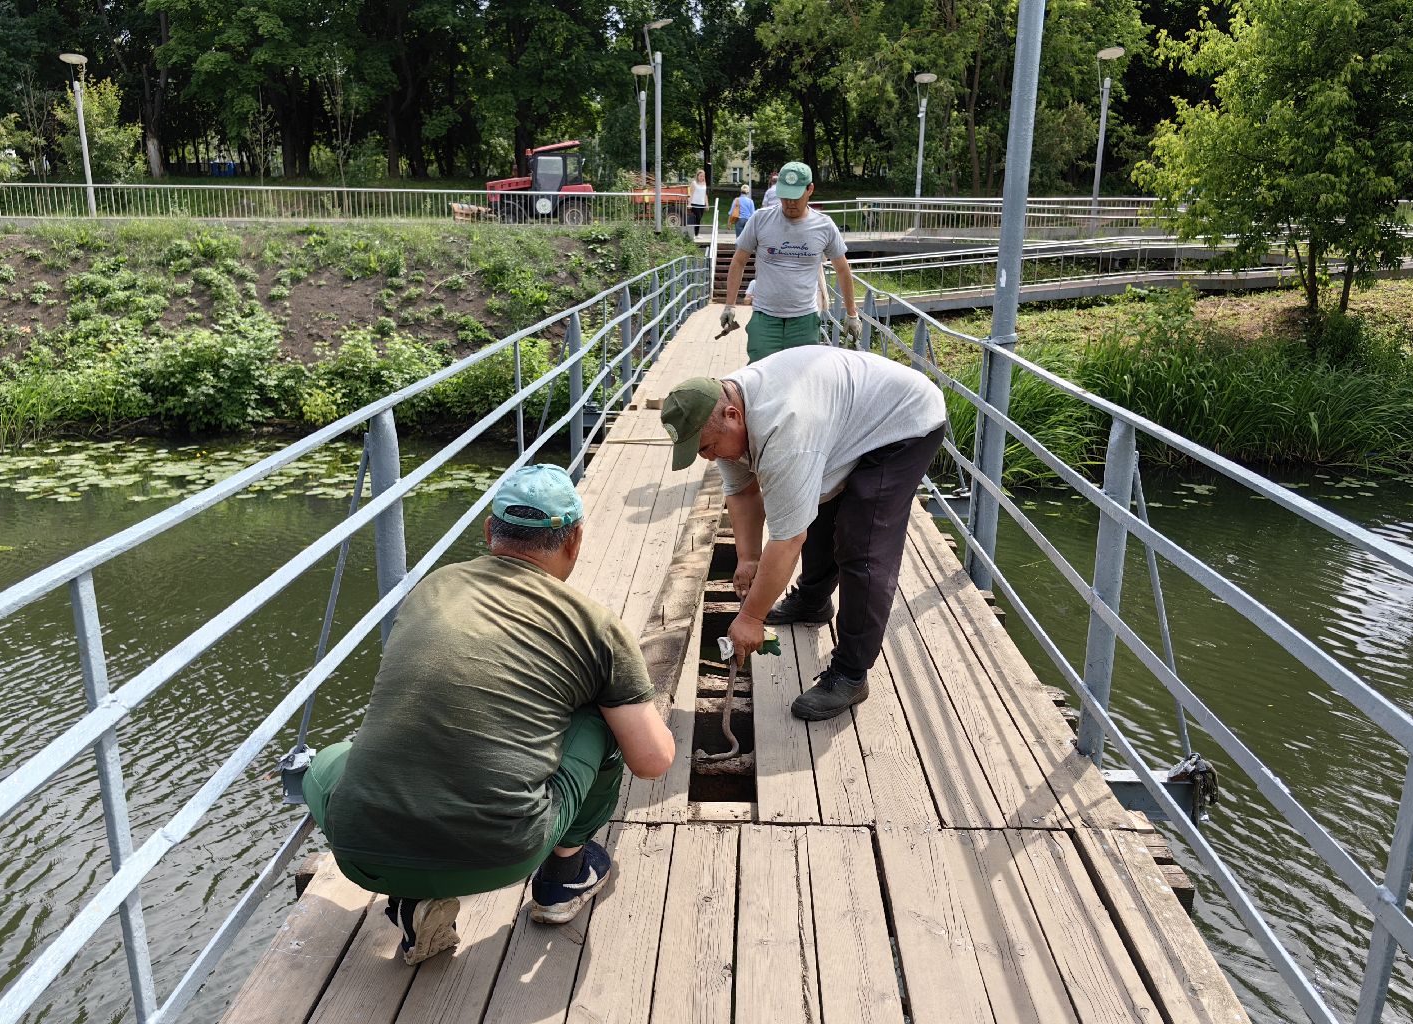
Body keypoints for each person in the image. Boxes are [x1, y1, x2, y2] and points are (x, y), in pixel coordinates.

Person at [302, 464, 674, 965]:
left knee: (333, 757)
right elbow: (652, 760)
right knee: (602, 721)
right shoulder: (596, 626)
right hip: (501, 855)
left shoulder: (433, 588)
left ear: (489, 531)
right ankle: (563, 879)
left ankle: (412, 896)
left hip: (359, 851)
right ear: (575, 539)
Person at [659, 348, 949, 721]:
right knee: (816, 503)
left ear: (733, 415)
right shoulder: (724, 412)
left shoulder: (784, 430)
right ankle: (813, 600)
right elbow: (743, 492)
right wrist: (748, 558)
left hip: (903, 421)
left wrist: (751, 618)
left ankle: (851, 674)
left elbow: (788, 540)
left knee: (862, 543)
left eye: (708, 447)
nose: (708, 458)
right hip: (844, 418)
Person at [720, 161, 859, 364]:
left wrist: (852, 314)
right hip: (765, 318)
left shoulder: (824, 226)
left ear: (810, 189)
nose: (789, 203)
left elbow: (843, 270)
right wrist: (729, 305)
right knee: (761, 374)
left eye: (795, 197)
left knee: (801, 377)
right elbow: (739, 261)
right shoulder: (760, 219)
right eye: (784, 196)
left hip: (804, 320)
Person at [688, 169, 708, 236]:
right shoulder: (694, 183)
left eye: (703, 176)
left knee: (699, 219)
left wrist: (707, 204)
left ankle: (696, 234)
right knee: (697, 218)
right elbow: (691, 194)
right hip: (695, 203)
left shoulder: (704, 183)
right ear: (697, 176)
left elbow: (705, 194)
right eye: (701, 176)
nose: (702, 177)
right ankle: (694, 234)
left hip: (702, 204)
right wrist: (689, 203)